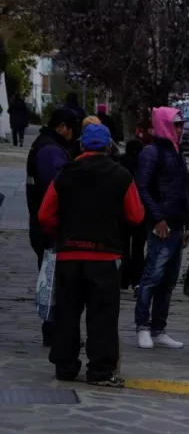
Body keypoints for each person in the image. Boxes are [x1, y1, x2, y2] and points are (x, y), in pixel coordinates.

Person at [37, 124, 144, 387]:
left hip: (69, 256)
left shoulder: (65, 174)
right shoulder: (121, 175)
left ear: (82, 146)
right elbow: (136, 215)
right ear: (108, 147)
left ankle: (65, 366)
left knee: (67, 314)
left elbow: (44, 215)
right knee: (103, 317)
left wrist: (61, 233)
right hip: (104, 258)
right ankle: (100, 371)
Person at [134, 106, 189, 350]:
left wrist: (188, 222)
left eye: (181, 125)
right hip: (161, 225)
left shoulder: (175, 152)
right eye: (176, 125)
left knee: (168, 280)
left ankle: (159, 328)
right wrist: (158, 218)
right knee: (152, 277)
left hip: (176, 225)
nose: (180, 130)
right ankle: (143, 326)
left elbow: (183, 191)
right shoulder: (152, 152)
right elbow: (142, 188)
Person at [25, 107, 78, 346]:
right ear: (62, 127)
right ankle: (55, 331)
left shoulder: (48, 146)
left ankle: (56, 330)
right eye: (72, 128)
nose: (73, 134)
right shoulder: (49, 150)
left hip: (45, 225)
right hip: (49, 227)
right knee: (55, 281)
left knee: (54, 279)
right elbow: (58, 188)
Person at [119, 140, 147, 291]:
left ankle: (123, 278)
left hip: (122, 210)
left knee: (123, 245)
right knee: (138, 247)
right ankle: (137, 278)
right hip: (137, 208)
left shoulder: (121, 164)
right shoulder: (141, 165)